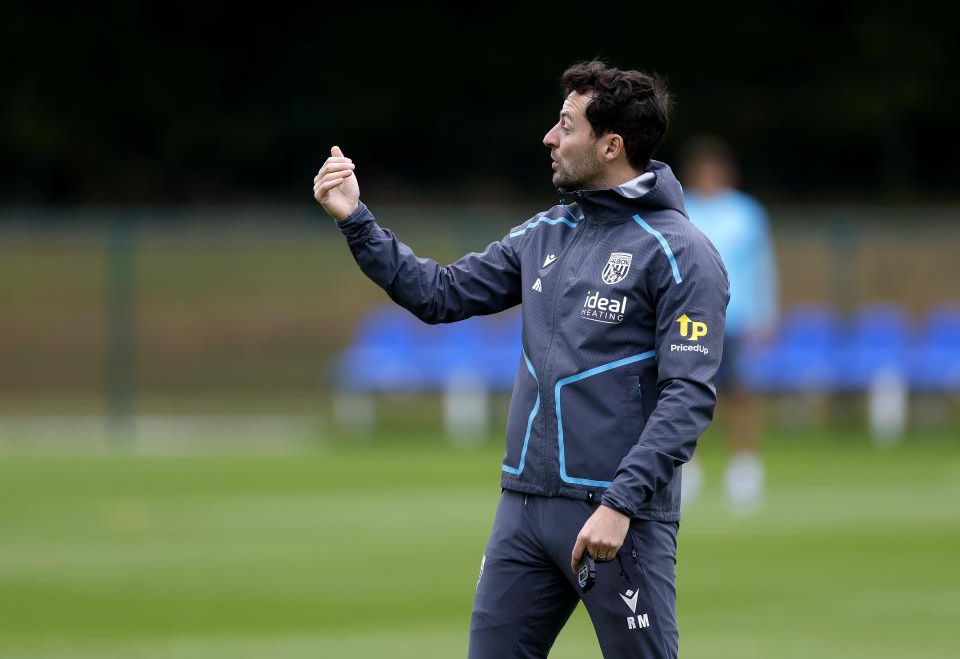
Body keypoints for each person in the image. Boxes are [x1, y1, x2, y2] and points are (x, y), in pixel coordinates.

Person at [315, 60, 728, 659]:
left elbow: (688, 397)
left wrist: (620, 505)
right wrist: (357, 220)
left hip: (614, 519)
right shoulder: (546, 232)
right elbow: (440, 294)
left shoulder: (682, 253)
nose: (549, 137)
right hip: (524, 509)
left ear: (611, 145)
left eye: (566, 125)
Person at [679, 134, 778, 516]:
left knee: (740, 393)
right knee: (685, 394)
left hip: (736, 317)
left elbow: (762, 266)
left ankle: (744, 469)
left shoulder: (746, 212)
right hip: (689, 318)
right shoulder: (680, 209)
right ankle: (687, 468)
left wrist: (766, 314)